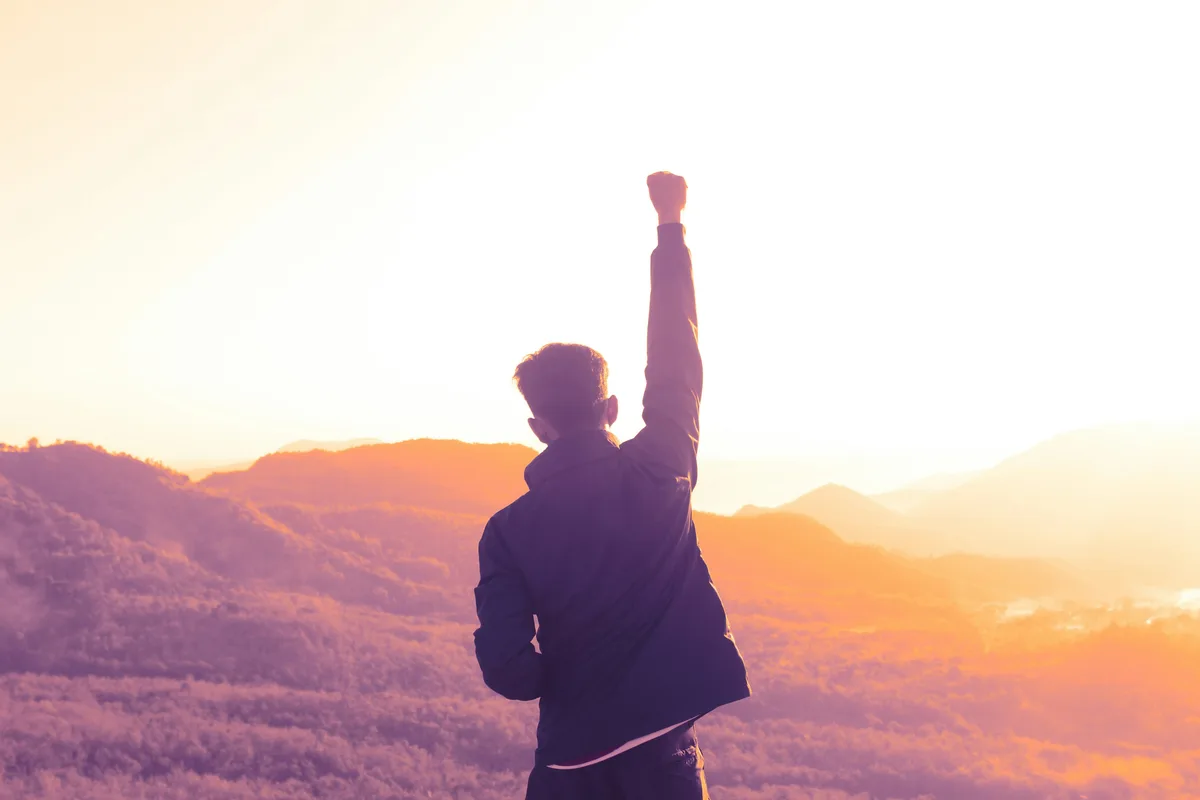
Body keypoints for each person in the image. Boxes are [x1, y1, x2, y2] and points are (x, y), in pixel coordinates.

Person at [473, 171, 750, 800]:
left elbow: (511, 670)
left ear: (537, 426)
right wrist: (669, 225)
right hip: (664, 756)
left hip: (569, 765)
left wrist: (569, 676)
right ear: (614, 408)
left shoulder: (507, 532)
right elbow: (677, 356)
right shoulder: (662, 467)